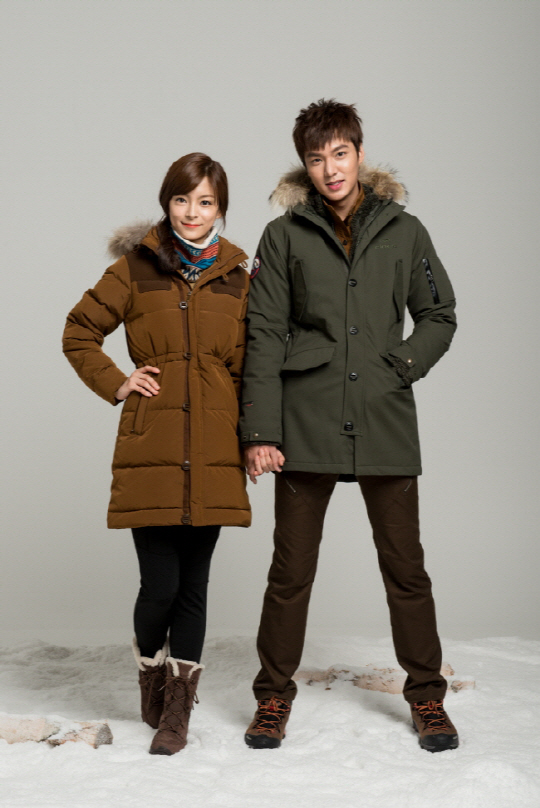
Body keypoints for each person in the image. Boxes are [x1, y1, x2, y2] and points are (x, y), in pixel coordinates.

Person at [240, 100, 458, 753]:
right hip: (303, 420)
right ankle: (272, 699)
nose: (330, 168)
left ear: (359, 154)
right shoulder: (282, 235)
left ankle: (428, 698)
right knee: (290, 573)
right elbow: (264, 334)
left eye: (340, 153)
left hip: (383, 416)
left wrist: (403, 365)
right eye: (317, 158)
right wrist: (260, 431)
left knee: (406, 569)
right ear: (304, 166)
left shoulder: (405, 231)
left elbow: (439, 313)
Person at [62, 153, 250, 756]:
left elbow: (247, 369)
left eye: (206, 202)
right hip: (153, 447)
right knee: (160, 586)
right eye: (181, 200)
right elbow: (78, 330)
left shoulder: (239, 278)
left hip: (214, 450)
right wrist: (118, 382)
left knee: (194, 586)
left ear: (220, 208)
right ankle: (150, 668)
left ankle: (178, 709)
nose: (192, 213)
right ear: (167, 203)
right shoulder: (135, 268)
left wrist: (250, 438)